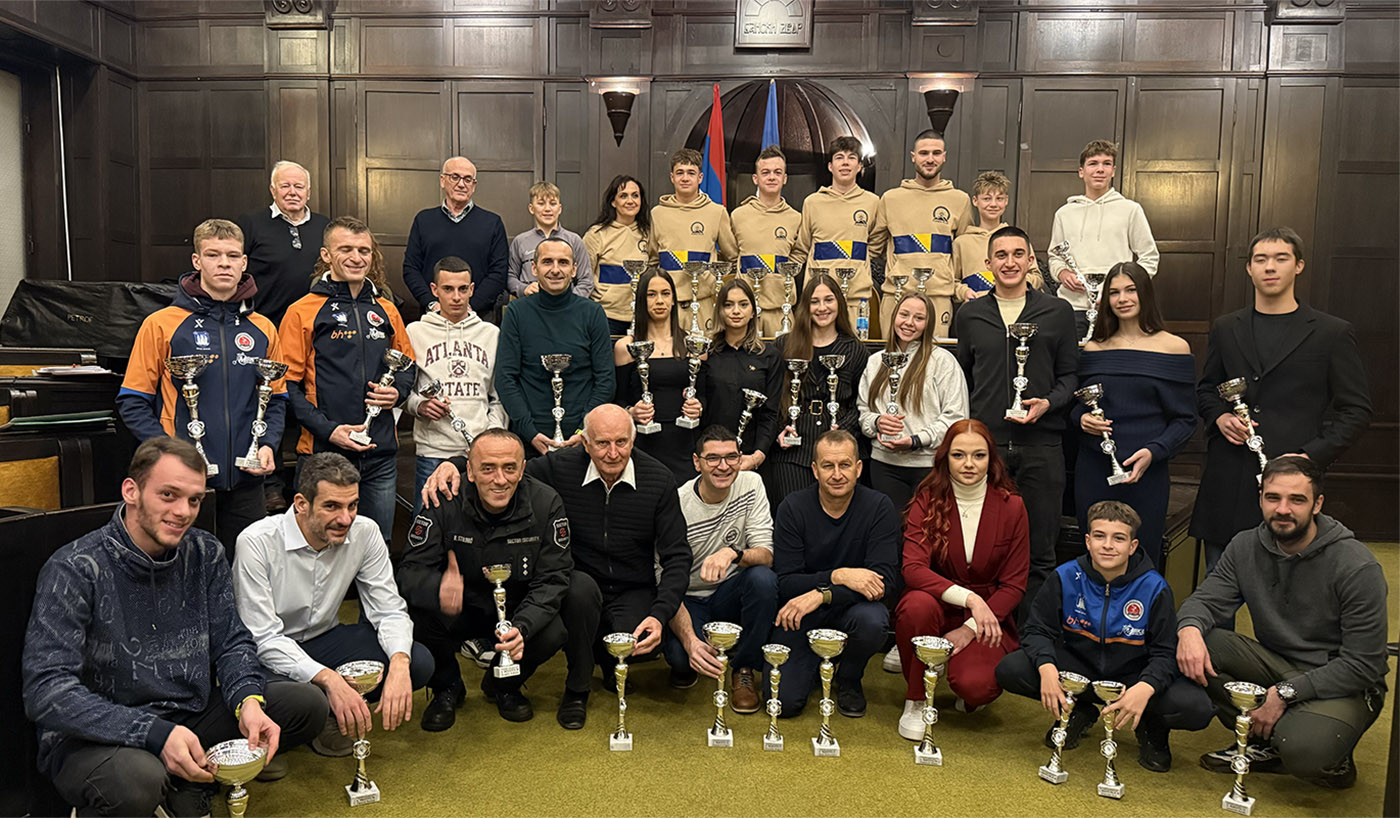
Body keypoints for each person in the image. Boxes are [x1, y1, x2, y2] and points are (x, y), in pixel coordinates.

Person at [22, 438, 326, 817]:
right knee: (137, 782)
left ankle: (186, 779)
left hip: (187, 714)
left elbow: (232, 642)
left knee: (307, 705)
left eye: (194, 500)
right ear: (131, 491)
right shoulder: (74, 568)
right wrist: (153, 733)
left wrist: (249, 700)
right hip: (99, 735)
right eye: (168, 495)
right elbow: (46, 691)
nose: (183, 512)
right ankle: (160, 782)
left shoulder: (205, 552)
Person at [419, 405, 691, 731]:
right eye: (602, 443)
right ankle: (577, 691)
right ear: (584, 443)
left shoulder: (659, 479)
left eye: (621, 442)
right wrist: (453, 464)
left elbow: (678, 557)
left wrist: (660, 615)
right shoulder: (560, 467)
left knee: (635, 646)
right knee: (578, 592)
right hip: (575, 580)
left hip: (632, 588)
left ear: (633, 441)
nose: (613, 453)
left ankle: (604, 661)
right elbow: (504, 467)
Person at [1177, 456, 1388, 788]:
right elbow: (1204, 601)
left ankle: (1326, 755)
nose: (1283, 509)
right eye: (1273, 497)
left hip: (1342, 681)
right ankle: (1267, 740)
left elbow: (1364, 664)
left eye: (1297, 500)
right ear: (1261, 498)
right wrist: (1189, 629)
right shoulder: (1245, 545)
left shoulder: (1356, 566)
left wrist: (1285, 694)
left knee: (1305, 752)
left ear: (1318, 504)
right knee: (1200, 644)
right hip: (1278, 664)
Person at [1190, 227, 1371, 573]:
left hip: (1292, 485)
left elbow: (1357, 410)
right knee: (1218, 587)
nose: (1269, 267)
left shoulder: (1331, 332)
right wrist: (1220, 417)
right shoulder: (1226, 327)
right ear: (1249, 268)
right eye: (1260, 259)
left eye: (1280, 258)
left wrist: (1309, 456)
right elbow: (1207, 389)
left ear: (1299, 265)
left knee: (1291, 590)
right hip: (1228, 479)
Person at [232, 453, 433, 757]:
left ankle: (324, 713)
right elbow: (263, 638)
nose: (345, 519)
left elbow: (389, 610)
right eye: (331, 506)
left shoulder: (365, 532)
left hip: (325, 639)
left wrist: (399, 663)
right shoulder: (256, 541)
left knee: (417, 661)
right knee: (301, 698)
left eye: (352, 505)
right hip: (267, 653)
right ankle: (299, 720)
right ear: (301, 503)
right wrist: (329, 678)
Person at [997, 500, 1213, 773]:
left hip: (1132, 677)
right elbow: (1037, 629)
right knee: (1011, 669)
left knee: (1196, 708)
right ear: (1088, 541)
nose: (1108, 545)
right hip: (1080, 671)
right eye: (1100, 536)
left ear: (1132, 546)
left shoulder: (1154, 587)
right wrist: (1047, 668)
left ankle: (1151, 723)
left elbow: (1165, 651)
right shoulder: (1065, 576)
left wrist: (1146, 687)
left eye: (1119, 538)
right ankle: (1077, 709)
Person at [118, 218, 284, 556]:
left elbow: (276, 399)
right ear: (197, 261)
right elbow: (132, 400)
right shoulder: (161, 324)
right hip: (183, 484)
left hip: (247, 480)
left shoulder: (263, 328)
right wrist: (168, 452)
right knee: (183, 569)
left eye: (232, 256)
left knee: (246, 571)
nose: (224, 263)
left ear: (244, 263)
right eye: (213, 255)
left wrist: (267, 444)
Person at [397, 430, 571, 728]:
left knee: (553, 628)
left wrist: (522, 627)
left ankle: (504, 685)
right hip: (459, 605)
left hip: (515, 607)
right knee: (417, 610)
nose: (499, 479)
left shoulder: (546, 502)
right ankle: (447, 687)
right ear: (470, 470)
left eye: (509, 468)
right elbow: (409, 570)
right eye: (488, 468)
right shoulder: (443, 497)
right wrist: (437, 588)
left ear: (522, 470)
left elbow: (553, 578)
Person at [955, 225, 1079, 622]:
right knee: (983, 548)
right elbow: (963, 378)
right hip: (986, 451)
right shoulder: (970, 315)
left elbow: (1070, 377)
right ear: (988, 263)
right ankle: (988, 631)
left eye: (1018, 254)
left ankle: (1032, 636)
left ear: (1030, 261)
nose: (1010, 262)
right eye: (1001, 255)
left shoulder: (1057, 312)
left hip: (1043, 447)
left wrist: (1049, 403)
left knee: (1041, 551)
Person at [280, 216, 416, 543]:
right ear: (326, 255)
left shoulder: (386, 309)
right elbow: (285, 386)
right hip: (324, 455)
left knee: (376, 546)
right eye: (346, 249)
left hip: (380, 454)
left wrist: (397, 393)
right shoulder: (302, 311)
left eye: (364, 250)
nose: (357, 258)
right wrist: (330, 431)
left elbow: (407, 365)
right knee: (318, 547)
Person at [896, 420, 1028, 735]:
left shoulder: (1012, 507)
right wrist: (970, 599)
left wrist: (970, 628)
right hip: (935, 605)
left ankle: (957, 673)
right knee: (915, 606)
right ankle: (916, 698)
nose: (969, 464)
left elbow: (1014, 584)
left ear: (991, 459)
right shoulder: (927, 499)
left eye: (978, 455)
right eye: (959, 455)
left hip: (986, 617)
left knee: (975, 687)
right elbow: (913, 569)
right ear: (945, 458)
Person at [1071, 261, 1195, 568]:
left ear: (1145, 294)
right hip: (1094, 470)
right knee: (1095, 559)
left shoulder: (1174, 348)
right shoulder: (1093, 349)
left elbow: (1186, 420)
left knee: (1141, 560)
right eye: (1114, 292)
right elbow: (1075, 407)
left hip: (1147, 473)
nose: (1122, 299)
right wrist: (1081, 420)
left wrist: (1154, 452)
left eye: (1131, 290)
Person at [772, 429, 898, 717]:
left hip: (852, 611)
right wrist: (838, 576)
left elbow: (884, 583)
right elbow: (786, 583)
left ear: (858, 468)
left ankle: (849, 678)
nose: (837, 474)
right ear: (815, 470)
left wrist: (823, 594)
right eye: (828, 466)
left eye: (845, 465)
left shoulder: (879, 507)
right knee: (783, 703)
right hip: (801, 613)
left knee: (873, 620)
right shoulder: (792, 507)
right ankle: (816, 664)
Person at [664, 426, 778, 715]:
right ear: (697, 462)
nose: (724, 466)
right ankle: (695, 651)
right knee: (680, 659)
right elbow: (662, 581)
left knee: (763, 580)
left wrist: (733, 554)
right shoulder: (677, 504)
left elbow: (766, 555)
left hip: (730, 592)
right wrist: (690, 641)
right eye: (713, 458)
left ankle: (744, 668)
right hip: (688, 598)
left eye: (731, 457)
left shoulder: (751, 484)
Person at [495, 237, 614, 457]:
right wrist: (529, 431)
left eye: (563, 262)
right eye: (547, 262)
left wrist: (584, 430)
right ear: (534, 268)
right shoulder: (516, 313)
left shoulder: (592, 313)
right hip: (530, 440)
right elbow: (505, 378)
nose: (556, 270)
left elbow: (606, 380)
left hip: (582, 440)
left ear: (574, 269)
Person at [405, 256, 507, 505]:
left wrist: (489, 436)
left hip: (480, 453)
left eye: (463, 289)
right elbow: (401, 390)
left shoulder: (491, 334)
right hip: (433, 450)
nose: (456, 297)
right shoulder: (415, 332)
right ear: (434, 290)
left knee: (479, 522)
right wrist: (419, 405)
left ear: (472, 289)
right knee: (428, 522)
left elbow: (500, 396)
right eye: (448, 289)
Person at [857, 291, 968, 514]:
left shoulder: (943, 361)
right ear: (894, 316)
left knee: (927, 531)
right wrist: (877, 422)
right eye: (904, 314)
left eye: (919, 318)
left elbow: (956, 418)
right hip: (884, 466)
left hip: (928, 467)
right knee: (891, 531)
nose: (909, 323)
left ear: (929, 324)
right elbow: (863, 412)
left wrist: (917, 440)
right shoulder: (876, 361)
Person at [767, 274, 867, 504]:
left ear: (839, 304)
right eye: (815, 302)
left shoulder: (854, 349)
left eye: (829, 300)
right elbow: (773, 397)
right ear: (805, 306)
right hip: (793, 452)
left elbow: (861, 402)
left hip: (839, 452)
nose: (822, 308)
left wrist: (844, 428)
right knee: (793, 514)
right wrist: (781, 428)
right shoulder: (784, 345)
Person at [869, 128, 975, 339]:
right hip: (897, 295)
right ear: (913, 156)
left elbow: (964, 251)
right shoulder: (891, 199)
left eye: (936, 153)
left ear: (944, 157)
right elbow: (874, 248)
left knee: (935, 356)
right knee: (893, 356)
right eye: (924, 153)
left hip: (939, 296)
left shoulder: (959, 200)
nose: (930, 159)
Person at [1048, 140, 1159, 338]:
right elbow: (1055, 256)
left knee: (1114, 357)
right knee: (1073, 357)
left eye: (1106, 164)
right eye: (1093, 163)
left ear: (1113, 171)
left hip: (1115, 306)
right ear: (1081, 172)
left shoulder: (1130, 210)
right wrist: (1062, 273)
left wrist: (1122, 289)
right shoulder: (1064, 213)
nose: (1100, 169)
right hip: (1072, 306)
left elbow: (1149, 258)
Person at [613, 267, 701, 482]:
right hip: (643, 446)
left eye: (665, 293)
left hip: (685, 444)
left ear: (674, 300)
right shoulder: (626, 347)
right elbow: (617, 400)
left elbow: (706, 395)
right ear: (641, 301)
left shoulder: (693, 345)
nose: (659, 301)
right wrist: (631, 412)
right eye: (651, 294)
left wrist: (699, 407)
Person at [790, 136, 880, 330]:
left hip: (856, 297)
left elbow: (876, 244)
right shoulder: (812, 202)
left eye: (851, 158)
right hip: (819, 299)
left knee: (855, 347)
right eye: (839, 157)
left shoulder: (872, 203)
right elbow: (802, 247)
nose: (845, 163)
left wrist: (858, 263)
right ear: (830, 166)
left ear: (859, 166)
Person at [403, 155, 509, 317]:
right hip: (433, 315)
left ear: (474, 186)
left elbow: (499, 272)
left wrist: (470, 307)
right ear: (442, 180)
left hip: (478, 317)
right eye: (455, 177)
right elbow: (411, 268)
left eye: (467, 179)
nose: (461, 184)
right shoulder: (423, 220)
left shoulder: (493, 223)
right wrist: (432, 303)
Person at [650, 148, 738, 332]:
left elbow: (732, 257)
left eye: (691, 173)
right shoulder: (658, 214)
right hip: (667, 306)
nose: (685, 178)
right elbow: (653, 260)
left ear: (700, 177)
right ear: (672, 177)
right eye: (680, 173)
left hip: (704, 306)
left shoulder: (716, 212)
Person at [700, 277, 783, 471]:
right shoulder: (706, 354)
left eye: (743, 304)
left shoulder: (769, 356)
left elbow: (771, 413)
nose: (736, 311)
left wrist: (757, 456)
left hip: (752, 458)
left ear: (753, 311)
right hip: (711, 458)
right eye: (728, 305)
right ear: (720, 311)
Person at [236, 160, 330, 328]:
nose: (292, 192)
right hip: (265, 324)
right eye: (285, 186)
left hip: (315, 325)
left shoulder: (325, 226)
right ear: (273, 191)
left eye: (299, 187)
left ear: (308, 193)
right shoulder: (250, 223)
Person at [731, 145, 802, 337]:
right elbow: (730, 254)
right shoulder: (738, 216)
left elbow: (800, 254)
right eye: (766, 172)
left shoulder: (796, 218)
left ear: (785, 178)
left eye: (777, 172)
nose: (772, 177)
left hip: (781, 311)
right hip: (745, 312)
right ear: (755, 178)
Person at [952, 170, 1043, 303]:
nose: (993, 204)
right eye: (987, 199)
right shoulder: (962, 242)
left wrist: (1014, 282)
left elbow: (1036, 277)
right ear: (975, 201)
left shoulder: (1017, 239)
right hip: (978, 307)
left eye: (999, 199)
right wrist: (963, 292)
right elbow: (952, 281)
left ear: (1006, 201)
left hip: (1015, 305)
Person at [583, 174, 652, 335]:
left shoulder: (649, 234)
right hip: (606, 315)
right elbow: (583, 277)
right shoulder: (596, 234)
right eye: (623, 196)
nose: (630, 201)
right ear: (613, 202)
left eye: (635, 195)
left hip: (641, 316)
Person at [508, 181, 594, 300]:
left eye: (552, 204)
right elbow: (510, 276)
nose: (547, 209)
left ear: (559, 208)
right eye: (541, 204)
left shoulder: (574, 240)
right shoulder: (520, 241)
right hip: (530, 304)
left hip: (566, 307)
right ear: (531, 208)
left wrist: (570, 301)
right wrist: (523, 289)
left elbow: (586, 280)